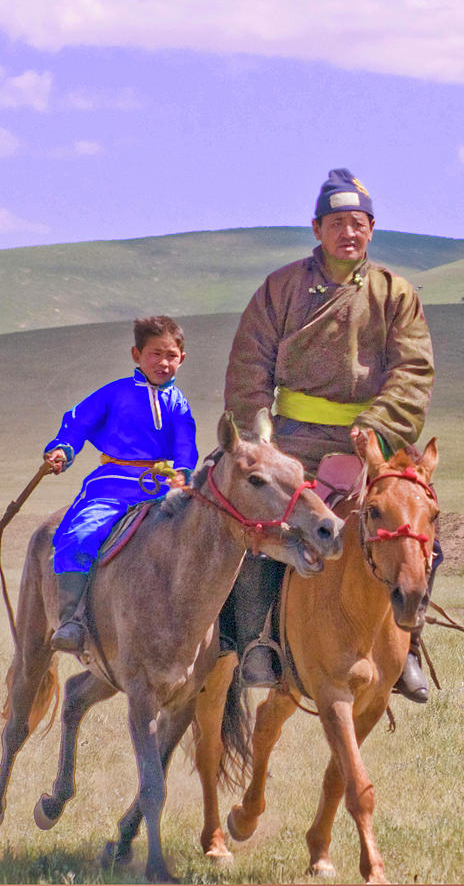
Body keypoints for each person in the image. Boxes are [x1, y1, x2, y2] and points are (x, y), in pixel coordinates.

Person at [222, 168, 437, 701]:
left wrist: (376, 427)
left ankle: (405, 647)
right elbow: (249, 365)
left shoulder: (396, 294)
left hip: (372, 445)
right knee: (258, 529)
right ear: (316, 228)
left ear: (371, 229)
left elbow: (413, 371)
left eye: (359, 223)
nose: (349, 232)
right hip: (291, 441)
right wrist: (260, 434)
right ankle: (257, 646)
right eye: (337, 222)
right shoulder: (280, 289)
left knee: (418, 531)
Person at [44, 315, 199, 654]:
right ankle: (73, 620)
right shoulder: (115, 393)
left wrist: (184, 473)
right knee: (83, 534)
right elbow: (77, 423)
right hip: (112, 484)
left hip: (159, 490)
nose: (163, 362)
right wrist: (62, 449)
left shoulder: (179, 404)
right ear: (136, 355)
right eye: (155, 354)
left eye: (171, 355)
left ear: (182, 359)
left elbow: (186, 445)